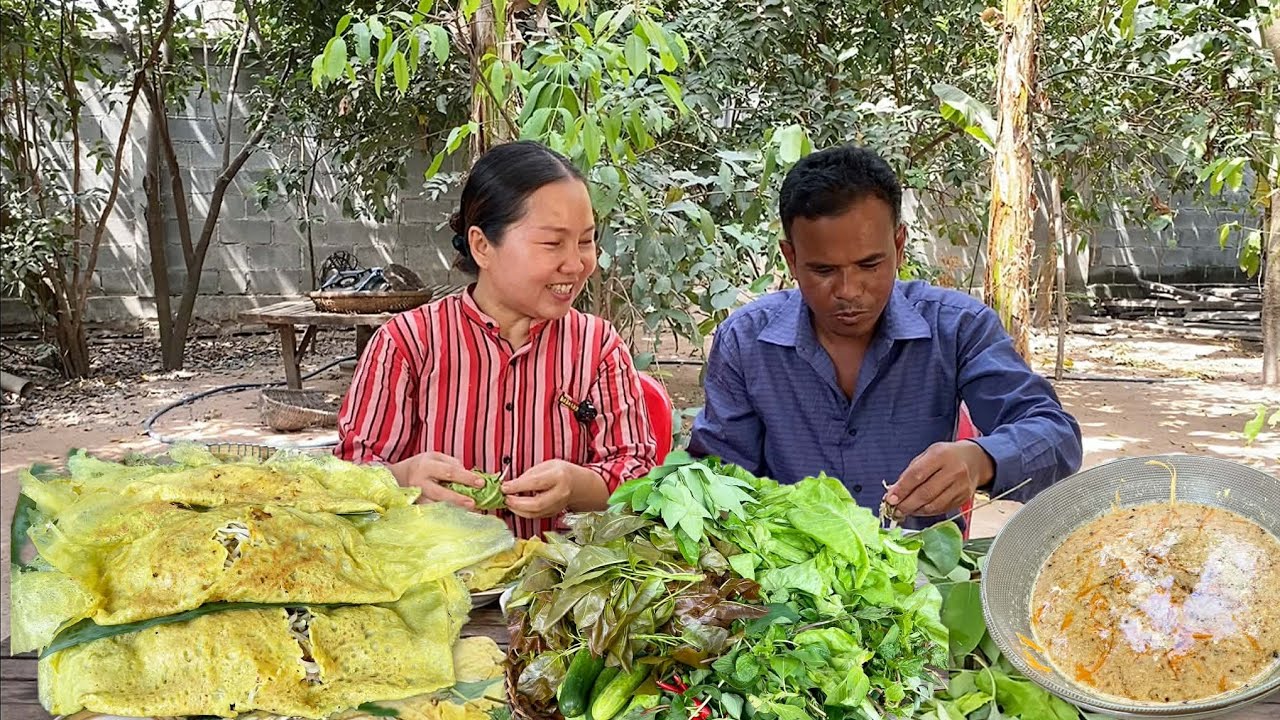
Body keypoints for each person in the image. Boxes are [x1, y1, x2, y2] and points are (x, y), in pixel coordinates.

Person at [687, 144, 1082, 529]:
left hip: (920, 579)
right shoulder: (745, 341)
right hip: (784, 580)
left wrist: (980, 459)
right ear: (791, 258)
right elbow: (717, 479)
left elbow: (1057, 438)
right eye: (823, 270)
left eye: (870, 264)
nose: (848, 290)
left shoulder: (958, 328)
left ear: (898, 245)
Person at [334, 140, 658, 538]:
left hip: (556, 587)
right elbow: (348, 482)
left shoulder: (597, 347)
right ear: (483, 246)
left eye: (586, 241)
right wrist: (403, 478)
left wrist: (576, 485)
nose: (576, 264)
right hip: (442, 583)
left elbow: (637, 475)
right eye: (552, 243)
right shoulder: (407, 343)